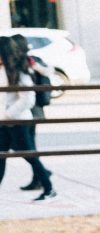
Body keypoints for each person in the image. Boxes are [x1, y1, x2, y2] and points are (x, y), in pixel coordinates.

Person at [0, 35, 55, 200]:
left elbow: (28, 98)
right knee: (1, 156)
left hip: (18, 121)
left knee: (29, 156)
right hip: (5, 121)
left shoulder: (19, 70)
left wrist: (7, 114)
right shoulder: (4, 70)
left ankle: (49, 188)